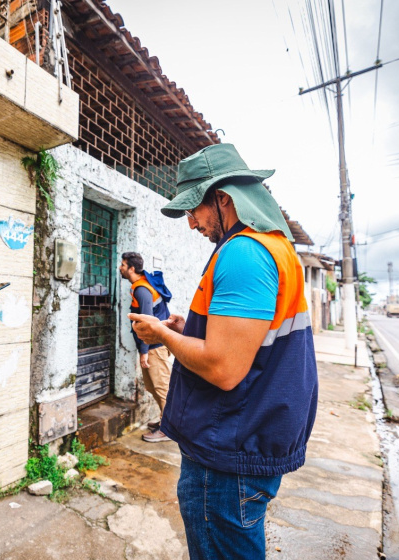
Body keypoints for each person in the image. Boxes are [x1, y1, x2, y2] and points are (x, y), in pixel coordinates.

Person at [129, 144, 319, 560]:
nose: (191, 223)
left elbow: (223, 367)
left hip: (229, 448)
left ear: (224, 199)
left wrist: (162, 335)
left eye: (194, 210)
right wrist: (187, 328)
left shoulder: (244, 253)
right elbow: (243, 340)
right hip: (244, 437)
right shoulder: (272, 247)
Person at [119, 251, 174, 442]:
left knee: (162, 388)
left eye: (123, 265)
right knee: (153, 387)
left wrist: (143, 352)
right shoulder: (140, 285)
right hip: (152, 347)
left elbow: (147, 323)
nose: (120, 268)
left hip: (155, 347)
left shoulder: (142, 289)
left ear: (131, 268)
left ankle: (168, 429)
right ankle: (165, 420)